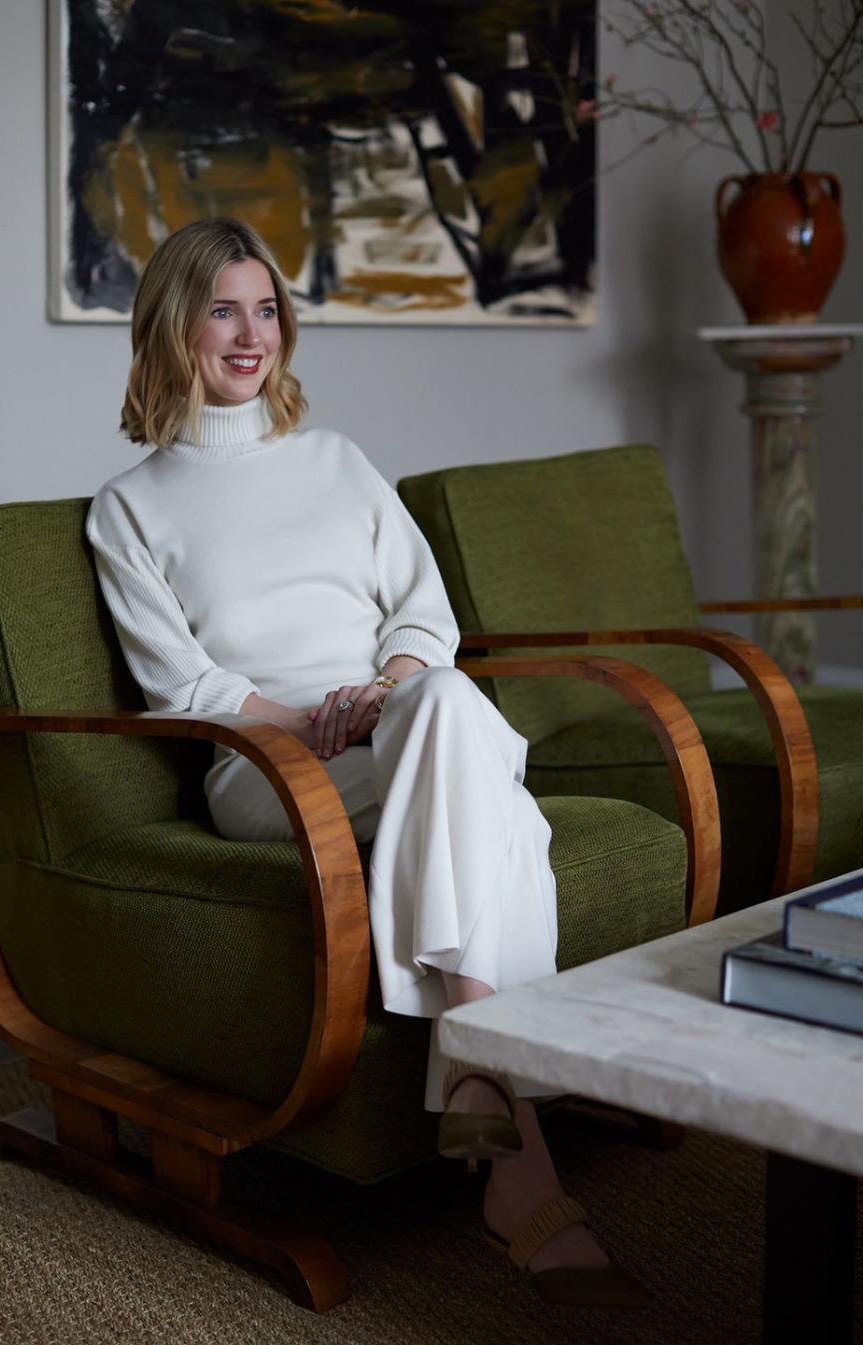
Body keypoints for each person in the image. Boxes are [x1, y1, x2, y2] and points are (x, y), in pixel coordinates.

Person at [86, 218, 648, 1310]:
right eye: (222, 310)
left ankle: (496, 1117)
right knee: (477, 765)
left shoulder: (338, 461)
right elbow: (184, 687)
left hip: (401, 728)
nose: (252, 335)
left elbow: (423, 616)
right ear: (172, 325)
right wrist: (310, 719)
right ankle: (496, 1078)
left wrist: (385, 689)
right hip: (269, 768)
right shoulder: (130, 508)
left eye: (267, 308)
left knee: (443, 699)